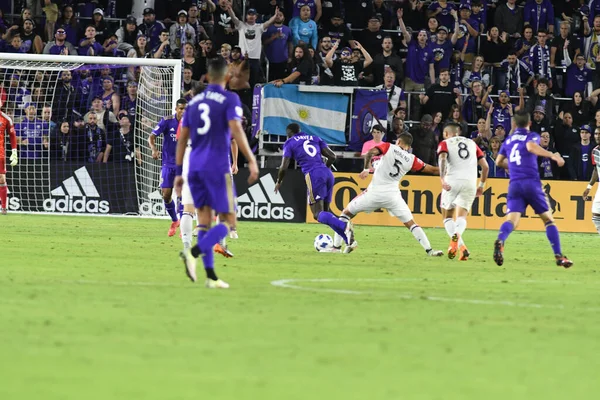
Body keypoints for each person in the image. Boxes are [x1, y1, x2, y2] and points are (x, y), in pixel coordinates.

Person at [175, 57, 259, 288]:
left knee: (203, 223)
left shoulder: (193, 103)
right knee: (229, 221)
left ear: (208, 77)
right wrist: (251, 160)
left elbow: (182, 139)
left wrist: (179, 172)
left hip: (194, 165)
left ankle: (210, 276)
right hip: (216, 165)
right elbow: (237, 132)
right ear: (226, 76)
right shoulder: (229, 98)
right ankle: (193, 252)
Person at [336, 133, 444, 256]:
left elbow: (370, 152)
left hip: (374, 194)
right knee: (411, 224)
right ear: (408, 147)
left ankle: (336, 246)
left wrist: (366, 169)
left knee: (345, 214)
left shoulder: (389, 147)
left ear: (398, 142)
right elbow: (433, 170)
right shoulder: (412, 159)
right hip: (393, 197)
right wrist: (451, 170)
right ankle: (430, 251)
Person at [493, 110, 572, 268]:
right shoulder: (531, 136)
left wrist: (515, 167)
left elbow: (498, 162)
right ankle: (558, 256)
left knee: (512, 221)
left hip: (514, 184)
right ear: (529, 123)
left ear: (514, 124)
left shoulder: (508, 141)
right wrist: (552, 155)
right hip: (531, 183)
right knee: (548, 220)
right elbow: (530, 147)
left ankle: (501, 240)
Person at [275, 123, 355, 252]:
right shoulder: (315, 138)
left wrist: (279, 181)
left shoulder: (289, 142)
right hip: (327, 173)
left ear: (289, 133)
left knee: (317, 214)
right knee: (326, 213)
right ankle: (348, 241)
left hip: (313, 174)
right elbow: (332, 156)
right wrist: (325, 169)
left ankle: (345, 226)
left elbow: (284, 166)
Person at [438, 122, 489, 261]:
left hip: (452, 181)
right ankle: (462, 248)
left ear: (446, 134)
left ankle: (456, 239)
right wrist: (481, 185)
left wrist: (442, 179)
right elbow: (485, 167)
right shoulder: (472, 144)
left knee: (448, 217)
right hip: (470, 183)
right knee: (461, 217)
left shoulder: (444, 143)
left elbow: (442, 159)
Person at [150, 99, 187, 237]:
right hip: (168, 164)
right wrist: (154, 149)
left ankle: (184, 227)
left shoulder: (191, 124)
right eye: (181, 109)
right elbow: (152, 136)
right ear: (176, 109)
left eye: (185, 109)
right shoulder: (167, 121)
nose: (183, 112)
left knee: (182, 195)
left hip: (184, 164)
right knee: (166, 194)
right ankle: (174, 221)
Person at [582, 129, 600, 234]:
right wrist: (589, 187)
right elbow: (596, 169)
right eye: (596, 134)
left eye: (599, 134)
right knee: (596, 214)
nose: (597, 136)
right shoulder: (594, 151)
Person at [0, 108, 18, 214]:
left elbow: (12, 135)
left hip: (0, 154)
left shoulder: (6, 119)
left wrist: (14, 151)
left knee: (2, 179)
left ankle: (3, 208)